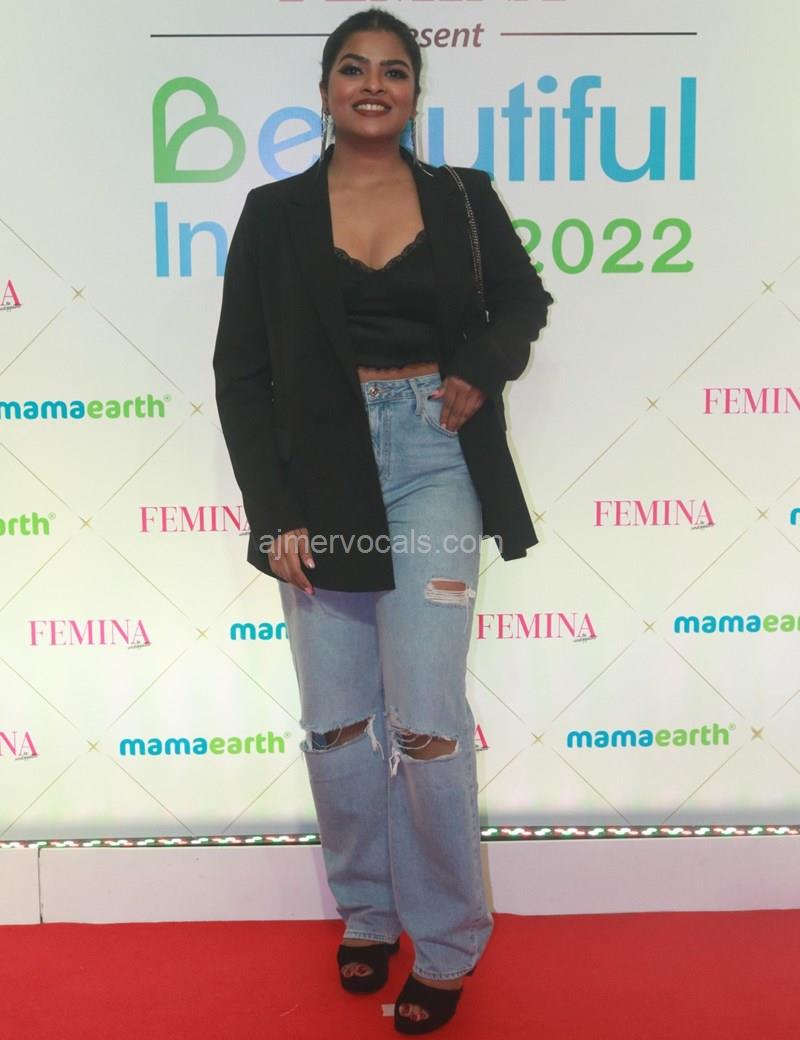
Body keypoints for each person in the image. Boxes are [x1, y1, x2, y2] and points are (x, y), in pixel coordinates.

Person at [213, 7, 552, 1033]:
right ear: (325, 90)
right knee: (337, 723)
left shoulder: (462, 199)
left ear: (413, 92)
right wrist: (272, 512)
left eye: (393, 71)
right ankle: (366, 911)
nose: (373, 84)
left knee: (427, 722)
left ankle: (445, 941)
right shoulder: (273, 212)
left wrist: (476, 368)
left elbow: (522, 302)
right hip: (321, 472)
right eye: (353, 68)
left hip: (434, 458)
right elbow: (241, 372)